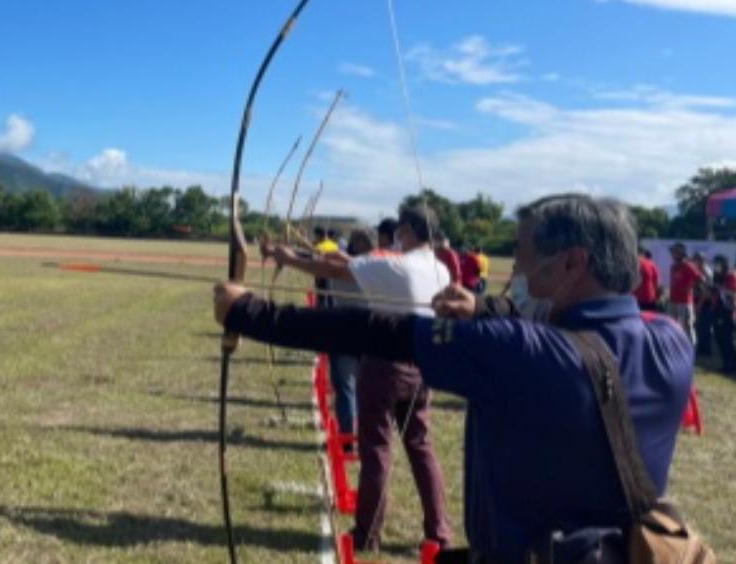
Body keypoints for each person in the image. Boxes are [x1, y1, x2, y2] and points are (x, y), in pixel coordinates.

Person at [215, 193, 693, 562]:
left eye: (525, 255)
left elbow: (379, 330)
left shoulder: (521, 352)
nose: (519, 268)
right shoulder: (673, 343)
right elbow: (568, 327)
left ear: (572, 263)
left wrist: (249, 313)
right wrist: (484, 306)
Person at [260, 206, 453, 552]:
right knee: (421, 448)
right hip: (425, 366)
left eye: (400, 232)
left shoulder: (396, 264)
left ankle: (368, 534)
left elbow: (334, 267)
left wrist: (286, 257)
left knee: (376, 449)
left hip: (385, 364)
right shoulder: (439, 268)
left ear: (407, 230)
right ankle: (439, 533)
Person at [325, 229, 374, 437]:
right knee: (351, 389)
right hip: (356, 331)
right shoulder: (376, 268)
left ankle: (354, 435)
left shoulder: (367, 268)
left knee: (353, 388)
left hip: (353, 332)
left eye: (360, 241)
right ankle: (351, 436)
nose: (357, 245)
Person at [668, 243, 703, 346]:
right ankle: (675, 345)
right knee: (672, 325)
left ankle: (692, 348)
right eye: (672, 252)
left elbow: (700, 278)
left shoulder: (688, 266)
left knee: (688, 326)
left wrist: (691, 287)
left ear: (681, 253)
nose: (672, 254)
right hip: (673, 300)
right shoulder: (674, 266)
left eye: (675, 252)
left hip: (685, 301)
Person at [710, 255, 736, 372]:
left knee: (727, 338)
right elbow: (714, 292)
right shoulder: (717, 277)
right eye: (715, 264)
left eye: (718, 264)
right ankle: (726, 363)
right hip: (717, 309)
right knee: (718, 337)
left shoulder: (731, 276)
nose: (716, 267)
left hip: (727, 310)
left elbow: (731, 293)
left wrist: (720, 289)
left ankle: (730, 365)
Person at [692, 252, 714, 357]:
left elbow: (707, 292)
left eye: (696, 260)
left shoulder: (707, 272)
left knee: (705, 326)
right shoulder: (696, 271)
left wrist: (699, 305)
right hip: (697, 301)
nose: (694, 262)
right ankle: (701, 347)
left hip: (706, 302)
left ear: (702, 261)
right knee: (699, 326)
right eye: (694, 260)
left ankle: (706, 350)